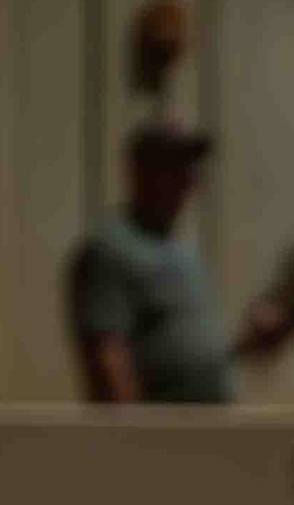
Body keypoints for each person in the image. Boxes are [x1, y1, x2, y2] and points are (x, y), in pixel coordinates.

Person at [70, 124, 236, 404]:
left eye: (190, 168)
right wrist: (132, 437)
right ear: (140, 172)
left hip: (207, 431)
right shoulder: (110, 250)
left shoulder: (182, 251)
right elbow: (107, 354)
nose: (187, 178)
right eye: (173, 167)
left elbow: (189, 350)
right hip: (158, 437)